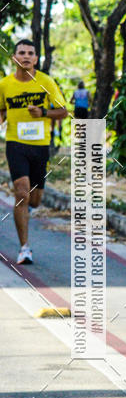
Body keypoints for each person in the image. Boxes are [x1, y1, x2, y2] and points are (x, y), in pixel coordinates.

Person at [0, 39, 67, 264]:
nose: (26, 56)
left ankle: (29, 207)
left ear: (36, 59)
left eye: (30, 53)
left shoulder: (46, 81)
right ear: (15, 58)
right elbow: (1, 109)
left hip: (39, 147)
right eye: (22, 52)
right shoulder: (5, 85)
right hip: (15, 144)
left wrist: (44, 112)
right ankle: (24, 248)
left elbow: (63, 111)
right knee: (21, 192)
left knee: (35, 200)